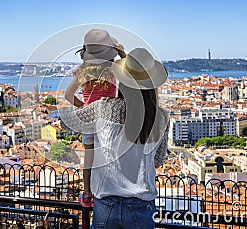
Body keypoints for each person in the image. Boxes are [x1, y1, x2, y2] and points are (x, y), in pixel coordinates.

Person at [61, 47, 169, 228]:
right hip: (141, 204)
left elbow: (67, 123)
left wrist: (88, 62)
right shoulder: (162, 117)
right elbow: (157, 161)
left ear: (123, 81)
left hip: (106, 203)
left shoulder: (104, 108)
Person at [65, 29, 125, 207]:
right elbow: (132, 73)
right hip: (108, 117)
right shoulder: (113, 70)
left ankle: (87, 194)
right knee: (109, 156)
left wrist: (84, 106)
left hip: (88, 119)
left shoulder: (82, 72)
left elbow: (68, 96)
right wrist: (122, 54)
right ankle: (111, 189)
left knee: (89, 159)